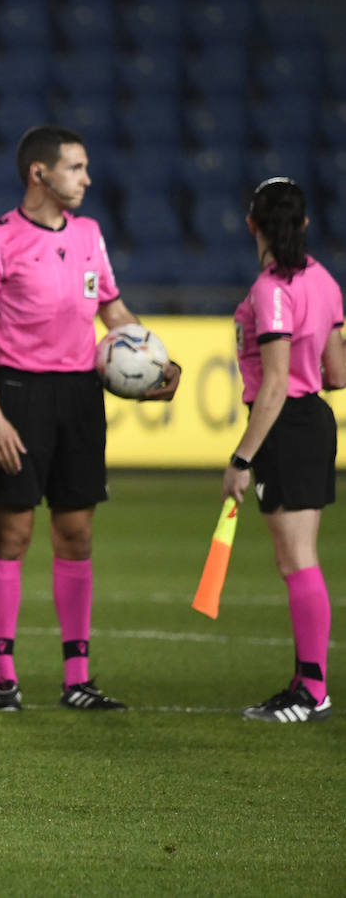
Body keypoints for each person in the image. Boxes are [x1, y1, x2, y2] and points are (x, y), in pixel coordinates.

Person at [0, 125, 181, 712]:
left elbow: (113, 308)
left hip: (80, 395)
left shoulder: (89, 235)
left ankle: (77, 679)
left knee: (76, 533)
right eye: (75, 167)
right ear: (40, 173)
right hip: (18, 394)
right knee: (14, 532)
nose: (85, 178)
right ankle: (4, 676)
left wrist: (152, 359)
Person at [224, 177, 345, 722]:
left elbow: (273, 385)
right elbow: (338, 373)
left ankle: (312, 690)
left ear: (252, 225)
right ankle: (305, 680)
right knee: (300, 558)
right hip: (314, 419)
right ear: (305, 224)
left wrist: (241, 459)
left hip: (286, 424)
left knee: (296, 561)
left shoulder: (272, 290)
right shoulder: (324, 279)